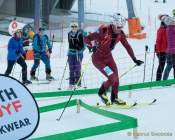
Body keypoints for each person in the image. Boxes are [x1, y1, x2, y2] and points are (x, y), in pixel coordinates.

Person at [84, 13, 143, 105]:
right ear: (113, 24)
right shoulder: (103, 30)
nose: (120, 29)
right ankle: (101, 92)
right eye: (118, 27)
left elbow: (127, 46)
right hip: (98, 59)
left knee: (116, 79)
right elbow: (87, 38)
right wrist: (91, 47)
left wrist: (134, 59)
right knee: (112, 77)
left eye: (121, 27)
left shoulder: (121, 34)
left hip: (108, 57)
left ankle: (114, 98)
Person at [67, 22, 85, 89]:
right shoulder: (69, 34)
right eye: (72, 27)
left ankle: (78, 83)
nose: (73, 28)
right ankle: (71, 83)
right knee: (71, 68)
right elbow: (70, 43)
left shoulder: (79, 34)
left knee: (77, 68)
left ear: (77, 27)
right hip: (71, 53)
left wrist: (78, 47)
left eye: (75, 27)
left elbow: (82, 45)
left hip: (78, 53)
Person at [161, 13, 175, 80]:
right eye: (173, 21)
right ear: (170, 22)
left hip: (169, 51)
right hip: (173, 51)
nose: (174, 21)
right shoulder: (173, 28)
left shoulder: (168, 29)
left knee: (169, 65)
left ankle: (164, 79)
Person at [155, 15, 168, 81]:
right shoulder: (161, 30)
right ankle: (158, 80)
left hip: (167, 50)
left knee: (168, 64)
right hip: (161, 51)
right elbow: (158, 41)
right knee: (161, 65)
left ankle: (162, 79)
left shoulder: (167, 29)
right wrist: (158, 51)